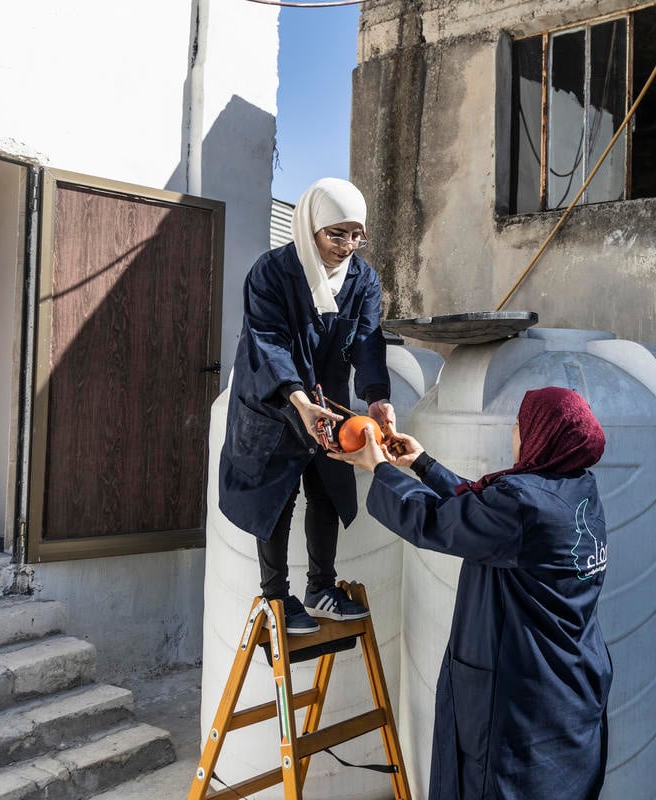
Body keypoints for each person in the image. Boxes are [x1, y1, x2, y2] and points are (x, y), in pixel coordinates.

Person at [332, 386, 612, 800]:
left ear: (541, 434)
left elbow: (437, 521)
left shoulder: (523, 505)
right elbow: (487, 508)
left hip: (519, 701)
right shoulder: (577, 489)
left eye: (520, 424)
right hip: (569, 689)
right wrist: (423, 465)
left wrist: (380, 468)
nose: (514, 434)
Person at [218, 177, 396, 635]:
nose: (348, 245)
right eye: (337, 233)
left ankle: (321, 588)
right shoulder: (273, 271)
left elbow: (368, 344)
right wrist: (298, 399)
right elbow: (267, 341)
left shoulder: (364, 279)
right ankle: (276, 598)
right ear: (311, 225)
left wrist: (377, 399)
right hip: (275, 400)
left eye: (357, 234)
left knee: (327, 487)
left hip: (328, 401)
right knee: (276, 495)